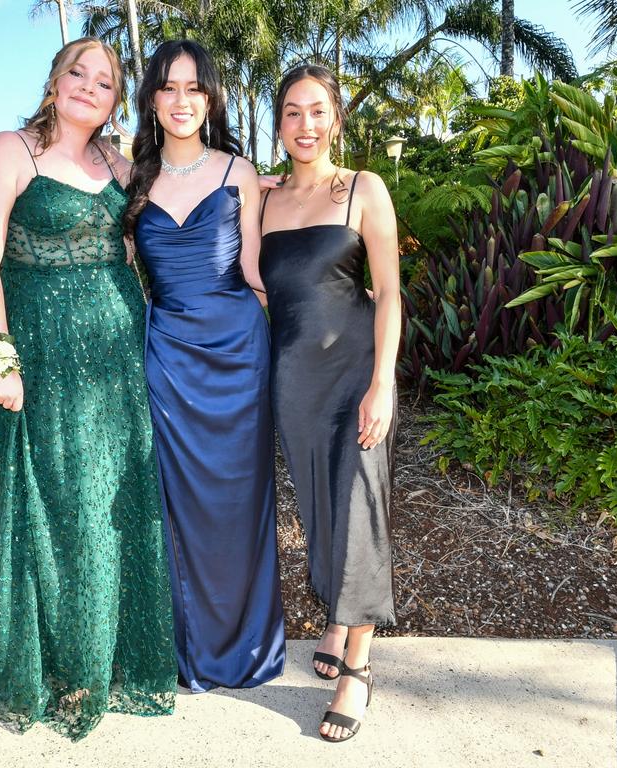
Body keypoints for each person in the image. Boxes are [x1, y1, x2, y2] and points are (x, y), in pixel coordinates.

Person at [0, 37, 176, 740]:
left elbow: (164, 224)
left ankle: (118, 662)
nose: (90, 85)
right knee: (61, 513)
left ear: (117, 100)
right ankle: (65, 669)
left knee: (117, 509)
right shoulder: (8, 151)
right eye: (77, 72)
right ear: (54, 82)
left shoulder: (118, 162)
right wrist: (0, 362)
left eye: (105, 80)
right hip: (45, 363)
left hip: (120, 359)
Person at [122, 39, 286, 693]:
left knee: (241, 503)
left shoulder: (237, 172)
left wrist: (333, 308)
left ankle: (245, 647)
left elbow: (253, 272)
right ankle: (186, 644)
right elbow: (118, 273)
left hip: (241, 358)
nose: (182, 100)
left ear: (211, 97)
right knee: (180, 508)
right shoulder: (130, 180)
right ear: (152, 99)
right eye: (169, 87)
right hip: (168, 360)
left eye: (194, 88)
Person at [257, 64, 401, 743]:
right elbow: (260, 295)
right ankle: (338, 619)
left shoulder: (363, 189)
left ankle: (359, 669)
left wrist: (386, 382)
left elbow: (390, 292)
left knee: (360, 505)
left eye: (318, 111)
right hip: (292, 381)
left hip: (355, 375)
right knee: (318, 506)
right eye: (292, 112)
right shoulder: (262, 200)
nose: (306, 125)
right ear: (279, 122)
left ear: (337, 118)